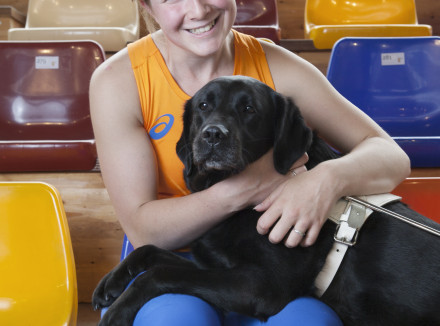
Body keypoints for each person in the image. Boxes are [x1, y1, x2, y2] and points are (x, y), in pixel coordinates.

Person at [89, 0, 410, 324]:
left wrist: (325, 179)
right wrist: (247, 187)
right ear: (147, 5)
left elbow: (390, 154)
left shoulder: (281, 69)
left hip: (275, 269)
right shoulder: (119, 81)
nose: (198, 10)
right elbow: (145, 230)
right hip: (174, 260)